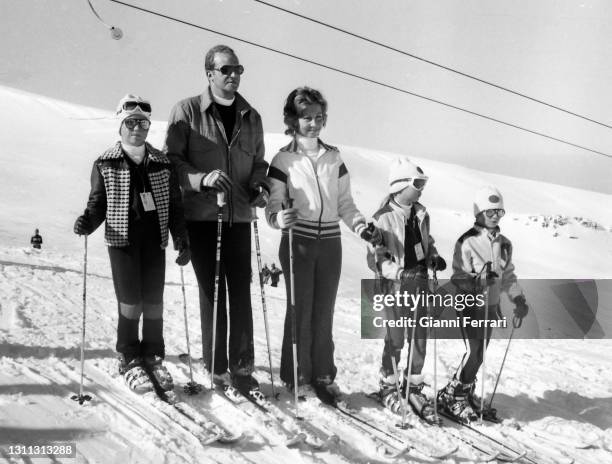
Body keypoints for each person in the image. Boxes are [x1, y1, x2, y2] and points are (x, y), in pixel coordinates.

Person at [164, 45, 269, 397]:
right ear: (209, 73)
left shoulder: (250, 115)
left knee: (240, 292)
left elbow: (259, 163)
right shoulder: (188, 111)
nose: (233, 75)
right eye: (226, 69)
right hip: (202, 215)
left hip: (239, 216)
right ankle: (216, 366)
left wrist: (260, 186)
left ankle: (242, 368)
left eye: (238, 68)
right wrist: (201, 179)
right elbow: (171, 162)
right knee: (213, 292)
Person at [266, 86, 381, 404]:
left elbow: (345, 202)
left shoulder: (333, 157)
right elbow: (273, 204)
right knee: (299, 310)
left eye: (318, 117)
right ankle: (297, 376)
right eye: (306, 118)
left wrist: (361, 226)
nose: (313, 124)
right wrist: (279, 218)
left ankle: (323, 375)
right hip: (297, 240)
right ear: (293, 119)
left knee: (324, 311)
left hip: (330, 242)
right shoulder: (283, 159)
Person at [73, 94, 190, 393]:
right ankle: (128, 355)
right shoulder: (105, 162)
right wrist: (88, 221)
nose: (137, 128)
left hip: (154, 240)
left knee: (153, 302)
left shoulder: (162, 163)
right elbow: (98, 203)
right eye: (131, 123)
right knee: (130, 302)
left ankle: (152, 354)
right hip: (122, 240)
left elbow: (176, 206)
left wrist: (182, 239)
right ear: (120, 126)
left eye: (143, 123)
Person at [437, 186, 528, 423]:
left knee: (480, 354)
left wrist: (518, 298)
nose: (496, 216)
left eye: (500, 211)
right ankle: (453, 396)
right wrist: (480, 281)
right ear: (479, 212)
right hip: (469, 303)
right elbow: (458, 276)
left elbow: (508, 277)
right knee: (474, 352)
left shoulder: (505, 244)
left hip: (491, 306)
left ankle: (463, 392)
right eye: (490, 212)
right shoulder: (466, 241)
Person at [366, 158, 446, 424]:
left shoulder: (421, 213)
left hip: (421, 283)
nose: (422, 189)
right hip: (396, 286)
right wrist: (400, 273)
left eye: (423, 183)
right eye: (417, 184)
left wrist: (432, 257)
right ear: (400, 185)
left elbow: (426, 243)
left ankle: (413, 386)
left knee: (420, 336)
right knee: (397, 338)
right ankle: (388, 384)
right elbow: (376, 259)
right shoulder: (382, 218)